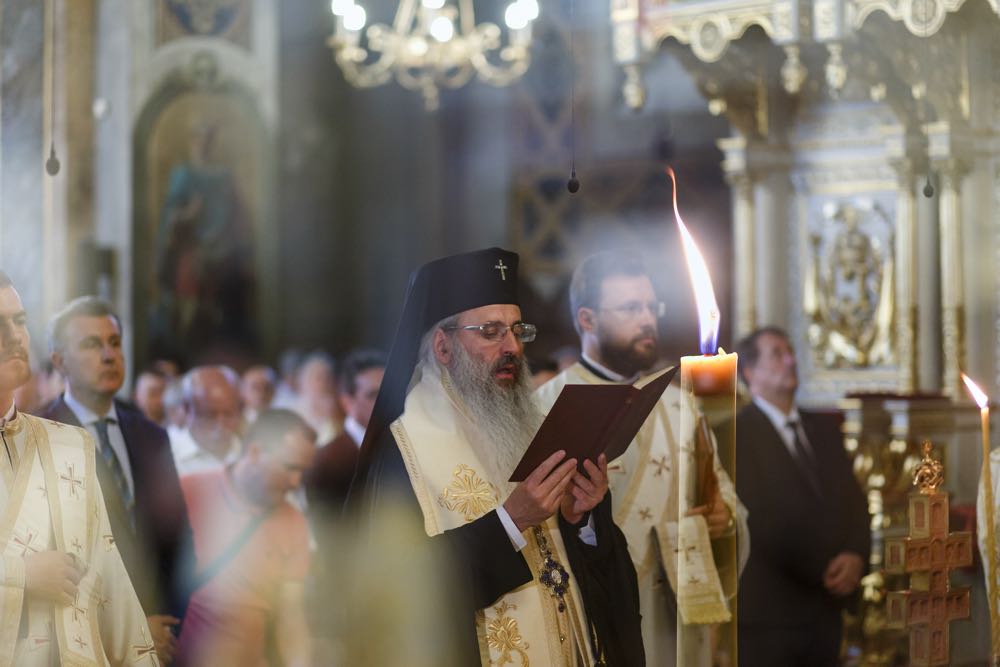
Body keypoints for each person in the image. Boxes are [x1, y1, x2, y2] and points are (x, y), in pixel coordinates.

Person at [349, 247, 644, 666]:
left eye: (516, 330)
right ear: (443, 346)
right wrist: (512, 522)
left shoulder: (532, 420)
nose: (512, 347)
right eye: (490, 332)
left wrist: (583, 520)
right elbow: (405, 588)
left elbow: (580, 570)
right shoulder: (403, 452)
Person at [535, 251, 749, 665]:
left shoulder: (679, 405)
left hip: (677, 627)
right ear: (587, 320)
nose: (647, 319)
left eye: (652, 307)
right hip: (599, 620)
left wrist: (726, 521)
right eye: (631, 308)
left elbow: (726, 500)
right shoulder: (545, 407)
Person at [0, 272, 159, 665]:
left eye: (19, 321)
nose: (13, 335)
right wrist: (20, 576)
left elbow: (109, 587)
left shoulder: (68, 445)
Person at [39, 296, 195, 664]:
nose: (109, 355)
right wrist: (131, 630)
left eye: (114, 342)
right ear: (59, 361)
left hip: (159, 641)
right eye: (92, 345)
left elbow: (175, 541)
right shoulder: (40, 436)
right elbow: (50, 557)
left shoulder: (151, 436)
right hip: (82, 644)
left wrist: (165, 625)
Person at [729, 326, 870, 667]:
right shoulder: (736, 434)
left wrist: (855, 554)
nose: (791, 360)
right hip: (772, 613)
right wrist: (824, 567)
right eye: (777, 354)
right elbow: (759, 519)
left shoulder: (822, 428)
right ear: (750, 372)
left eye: (790, 351)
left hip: (826, 609)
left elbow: (855, 500)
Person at [177, 408, 316, 666]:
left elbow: (291, 618)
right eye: (290, 467)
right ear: (254, 452)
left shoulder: (294, 522)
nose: (296, 482)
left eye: (303, 471)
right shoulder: (189, 491)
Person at [305, 348, 384, 514]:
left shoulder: (404, 445)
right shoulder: (326, 462)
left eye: (388, 392)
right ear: (348, 402)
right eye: (373, 395)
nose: (384, 401)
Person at [169, 365, 243, 477]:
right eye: (209, 415)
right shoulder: (166, 459)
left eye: (228, 414)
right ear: (187, 409)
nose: (220, 425)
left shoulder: (249, 455)